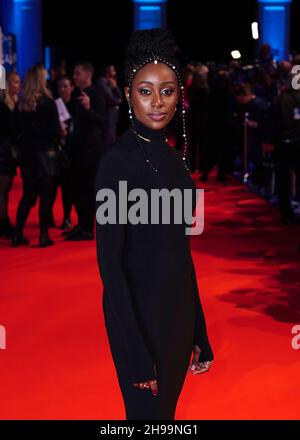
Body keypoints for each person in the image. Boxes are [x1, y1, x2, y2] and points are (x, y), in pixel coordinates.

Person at [95, 29, 214, 420]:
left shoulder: (176, 161)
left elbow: (181, 253)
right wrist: (136, 353)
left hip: (177, 318)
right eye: (146, 91)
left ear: (180, 95)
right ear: (129, 94)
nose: (158, 102)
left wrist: (198, 327)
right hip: (139, 320)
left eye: (167, 90)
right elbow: (111, 267)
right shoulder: (117, 164)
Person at [12, 64, 61, 247]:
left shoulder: (21, 104)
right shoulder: (48, 103)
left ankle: (17, 233)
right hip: (46, 155)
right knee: (46, 197)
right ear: (41, 80)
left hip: (27, 155)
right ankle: (43, 235)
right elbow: (54, 130)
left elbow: (15, 130)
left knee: (27, 195)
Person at [64, 62, 106, 241]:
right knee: (77, 188)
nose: (74, 76)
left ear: (87, 74)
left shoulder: (96, 95)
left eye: (77, 73)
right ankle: (82, 223)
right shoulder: (76, 95)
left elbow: (102, 122)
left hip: (89, 152)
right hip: (76, 150)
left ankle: (88, 227)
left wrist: (89, 108)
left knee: (87, 189)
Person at [0, 71, 20, 239]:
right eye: (14, 82)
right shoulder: (1, 104)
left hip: (11, 151)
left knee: (5, 190)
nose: (18, 85)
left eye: (19, 81)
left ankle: (4, 220)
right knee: (3, 190)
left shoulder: (16, 102)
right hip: (2, 151)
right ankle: (3, 221)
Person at [96, 64, 123, 149]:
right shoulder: (101, 83)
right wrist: (118, 100)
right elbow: (113, 100)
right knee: (107, 146)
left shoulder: (109, 84)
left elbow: (120, 98)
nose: (115, 73)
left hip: (112, 121)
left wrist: (115, 87)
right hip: (107, 120)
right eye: (113, 70)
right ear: (107, 73)